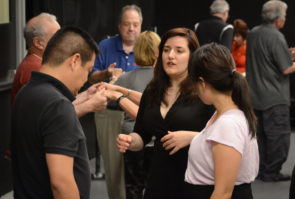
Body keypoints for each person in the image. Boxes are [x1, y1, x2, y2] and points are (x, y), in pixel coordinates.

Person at [116, 27, 215, 199]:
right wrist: (130, 141)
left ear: (192, 55)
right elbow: (142, 134)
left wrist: (191, 137)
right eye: (166, 50)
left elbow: (224, 136)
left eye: (179, 51)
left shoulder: (205, 91)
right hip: (159, 179)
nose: (170, 56)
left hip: (196, 180)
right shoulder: (153, 90)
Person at [11, 26, 104, 199]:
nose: (86, 79)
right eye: (88, 70)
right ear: (75, 61)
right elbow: (61, 184)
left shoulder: (26, 93)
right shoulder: (58, 106)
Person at [184, 43, 259, 199]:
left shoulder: (228, 124)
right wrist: (193, 137)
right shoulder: (223, 116)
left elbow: (223, 193)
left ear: (202, 83)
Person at [10, 12, 105, 117]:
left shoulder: (38, 65)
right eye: (57, 37)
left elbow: (62, 105)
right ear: (38, 43)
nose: (64, 41)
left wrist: (87, 95)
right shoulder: (35, 69)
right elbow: (56, 116)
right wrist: (90, 105)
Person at [103, 31, 160, 199]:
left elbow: (108, 94)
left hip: (130, 137)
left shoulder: (126, 78)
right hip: (157, 141)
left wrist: (114, 79)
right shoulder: (164, 79)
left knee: (133, 186)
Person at [246, 0, 295, 182]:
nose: (285, 19)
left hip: (255, 95)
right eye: (284, 16)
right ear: (278, 18)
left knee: (260, 137)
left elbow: (267, 59)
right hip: (274, 96)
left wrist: (288, 55)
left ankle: (261, 170)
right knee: (278, 137)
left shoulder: (253, 33)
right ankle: (271, 172)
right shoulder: (276, 36)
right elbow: (286, 68)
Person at [89, 4, 142, 84]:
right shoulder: (105, 46)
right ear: (119, 25)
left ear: (140, 26)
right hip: (108, 95)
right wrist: (106, 73)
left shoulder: (147, 48)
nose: (131, 29)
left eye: (135, 25)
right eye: (127, 24)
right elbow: (91, 78)